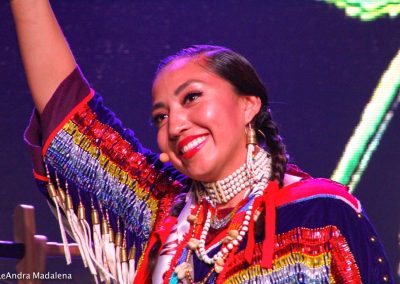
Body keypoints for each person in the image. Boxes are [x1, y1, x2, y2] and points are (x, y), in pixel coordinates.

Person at [10, 0, 393, 283]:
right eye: (160, 117)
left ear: (248, 105)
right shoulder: (161, 213)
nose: (175, 124)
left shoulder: (321, 215)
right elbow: (69, 113)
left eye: (192, 97)